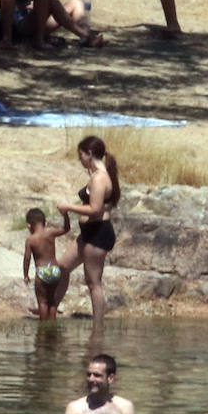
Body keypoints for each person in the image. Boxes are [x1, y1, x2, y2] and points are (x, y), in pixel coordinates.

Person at [55, 136, 120, 321]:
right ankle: (51, 308)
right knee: (63, 267)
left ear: (89, 154)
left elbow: (95, 209)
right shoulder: (98, 175)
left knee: (93, 282)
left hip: (98, 233)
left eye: (81, 155)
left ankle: (98, 327)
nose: (80, 160)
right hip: (88, 233)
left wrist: (69, 207)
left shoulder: (100, 178)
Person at [59, 354, 136, 414]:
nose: (91, 379)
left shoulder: (125, 407)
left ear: (110, 378)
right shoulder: (74, 408)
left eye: (97, 375)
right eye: (88, 374)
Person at [13, 0, 104, 47]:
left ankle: (85, 37)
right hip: (21, 22)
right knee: (51, 1)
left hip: (37, 18)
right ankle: (87, 36)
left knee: (75, 3)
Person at [24, 207, 71, 320]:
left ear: (29, 226)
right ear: (45, 223)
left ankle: (43, 328)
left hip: (42, 272)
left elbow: (27, 258)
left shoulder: (31, 240)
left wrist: (25, 275)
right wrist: (65, 215)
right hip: (55, 270)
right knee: (52, 302)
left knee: (43, 302)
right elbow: (66, 228)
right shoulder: (50, 233)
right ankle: (52, 328)